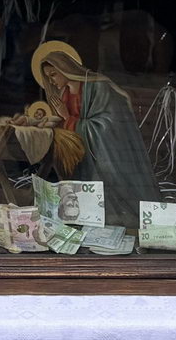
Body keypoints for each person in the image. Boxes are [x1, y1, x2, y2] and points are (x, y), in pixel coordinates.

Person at [33, 42, 161, 227]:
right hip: (79, 153)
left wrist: (67, 118)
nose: (51, 81)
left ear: (65, 69)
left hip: (107, 153)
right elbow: (66, 123)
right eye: (48, 77)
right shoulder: (64, 94)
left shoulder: (98, 87)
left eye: (53, 74)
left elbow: (107, 126)